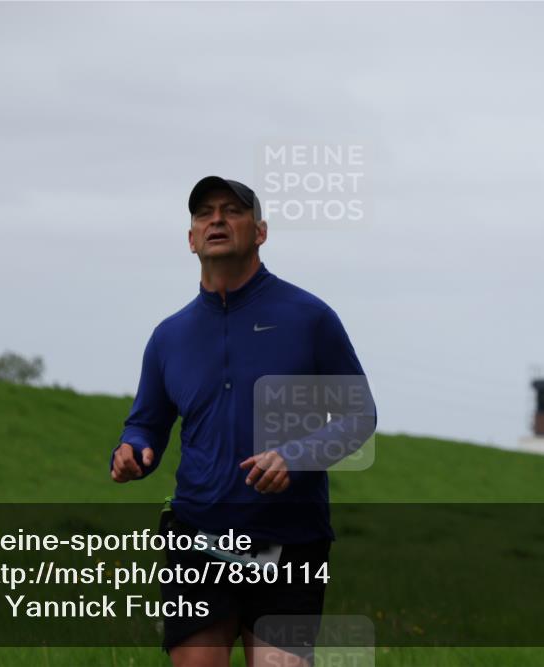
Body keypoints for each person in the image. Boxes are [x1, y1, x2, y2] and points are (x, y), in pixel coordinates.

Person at [110, 176, 377, 667]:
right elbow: (145, 424)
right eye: (204, 213)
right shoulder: (168, 337)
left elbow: (359, 416)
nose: (216, 219)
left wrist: (296, 456)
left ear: (260, 232)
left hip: (291, 541)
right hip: (198, 539)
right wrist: (132, 450)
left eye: (232, 210)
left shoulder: (309, 317)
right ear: (191, 238)